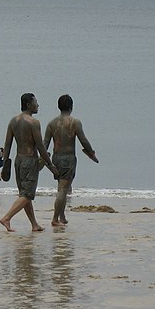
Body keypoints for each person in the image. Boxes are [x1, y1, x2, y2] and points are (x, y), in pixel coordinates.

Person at [0, 93, 58, 232]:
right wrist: (50, 164)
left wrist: (5, 163)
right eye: (35, 102)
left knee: (24, 194)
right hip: (30, 161)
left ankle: (34, 224)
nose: (38, 105)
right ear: (28, 104)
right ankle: (6, 218)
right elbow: (40, 146)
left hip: (18, 161)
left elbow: (7, 144)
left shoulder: (13, 121)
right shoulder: (34, 123)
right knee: (27, 195)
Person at [43, 94, 99, 226]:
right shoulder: (74, 122)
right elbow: (83, 140)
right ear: (71, 106)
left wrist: (45, 160)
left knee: (61, 187)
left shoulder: (52, 123)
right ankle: (55, 219)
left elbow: (45, 143)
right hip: (68, 158)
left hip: (56, 158)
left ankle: (62, 216)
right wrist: (91, 153)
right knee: (63, 189)